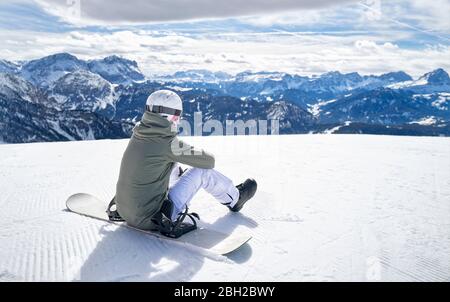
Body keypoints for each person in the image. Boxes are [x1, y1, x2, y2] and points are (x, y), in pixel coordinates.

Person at [111, 90, 257, 238]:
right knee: (202, 172)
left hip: (125, 210)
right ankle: (235, 199)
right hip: (150, 218)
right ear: (170, 116)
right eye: (177, 115)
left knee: (170, 164)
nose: (178, 119)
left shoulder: (139, 133)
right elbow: (209, 161)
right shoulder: (167, 143)